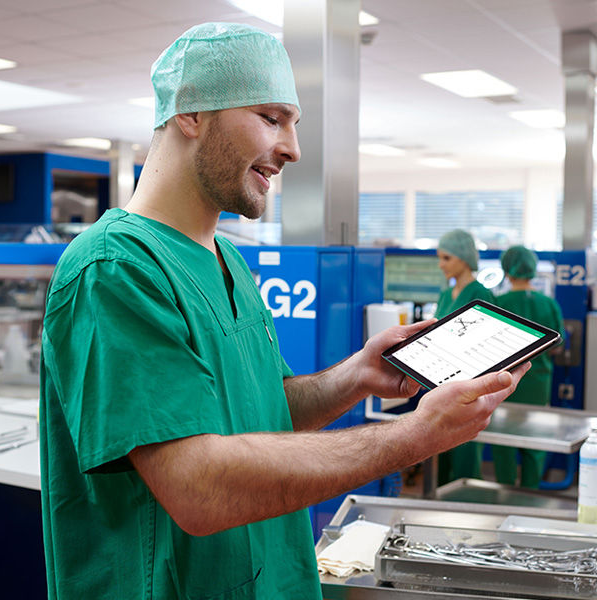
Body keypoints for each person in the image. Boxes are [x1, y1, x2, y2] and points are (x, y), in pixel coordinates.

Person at [39, 23, 528, 599]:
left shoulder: (227, 260)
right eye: (272, 118)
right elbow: (195, 485)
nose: (293, 149)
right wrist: (414, 437)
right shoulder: (115, 268)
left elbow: (260, 412)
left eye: (294, 123)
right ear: (190, 113)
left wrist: (355, 377)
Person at [492, 246, 564, 488]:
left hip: (505, 385)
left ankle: (504, 493)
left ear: (507, 271)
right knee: (535, 444)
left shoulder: (499, 303)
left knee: (503, 443)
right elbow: (556, 346)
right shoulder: (548, 304)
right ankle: (530, 494)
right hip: (538, 385)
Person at [434, 228, 496, 486]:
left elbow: (489, 345)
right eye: (439, 258)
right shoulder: (444, 295)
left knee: (464, 463)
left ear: (464, 257)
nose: (441, 265)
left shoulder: (481, 294)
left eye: (446, 258)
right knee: (439, 460)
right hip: (440, 385)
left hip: (469, 389)